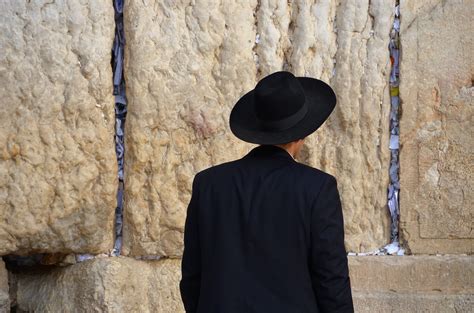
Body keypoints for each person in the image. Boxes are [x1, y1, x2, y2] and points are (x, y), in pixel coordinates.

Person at [180, 71, 354, 313]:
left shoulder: (208, 184)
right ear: (303, 134)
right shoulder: (317, 188)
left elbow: (192, 276)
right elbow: (331, 279)